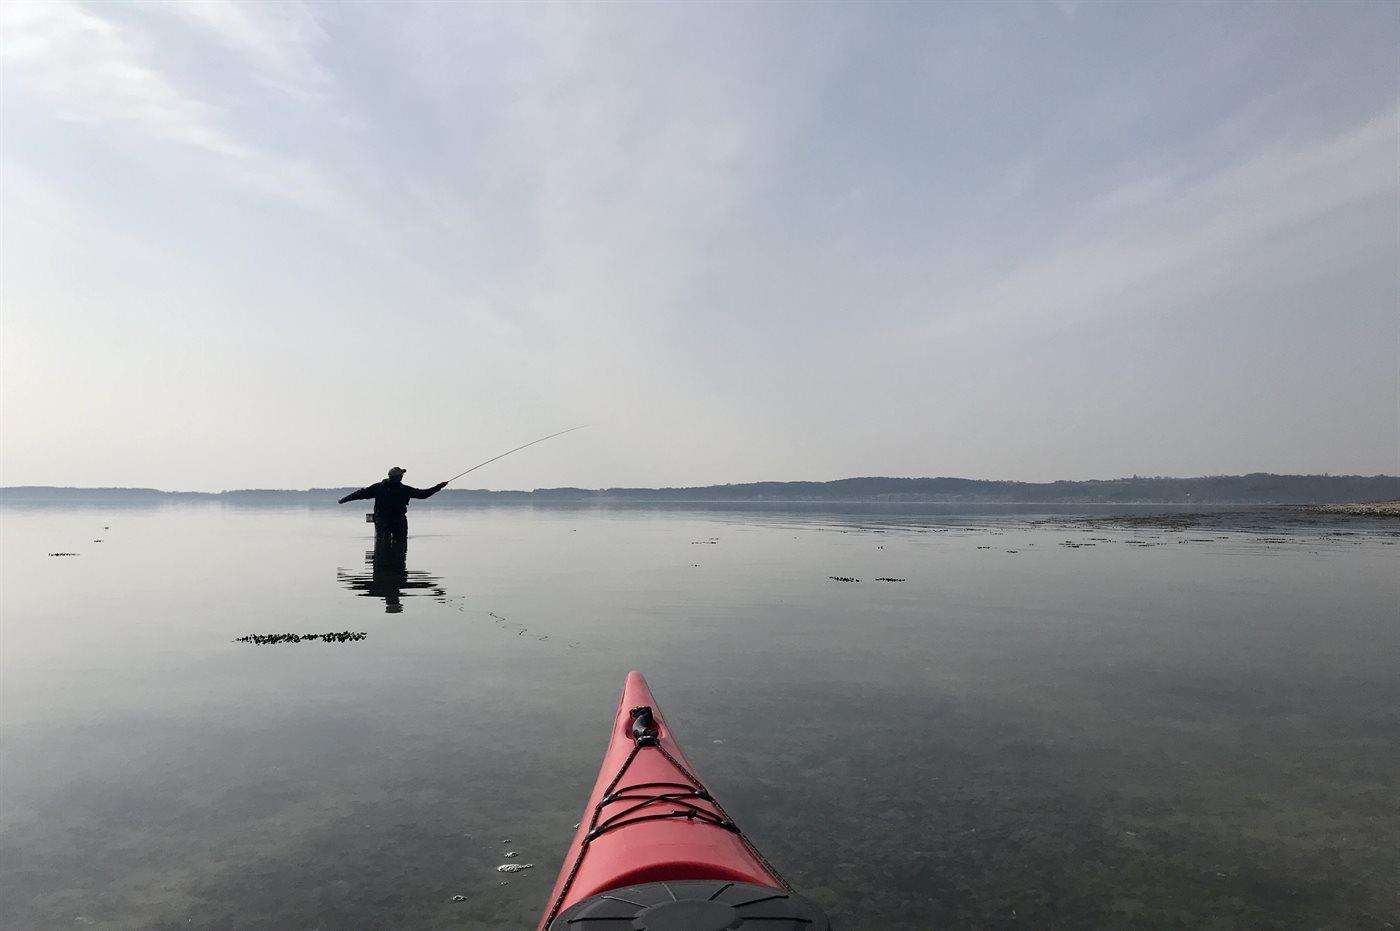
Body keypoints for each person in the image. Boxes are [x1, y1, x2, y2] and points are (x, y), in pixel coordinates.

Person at [338, 467, 446, 543]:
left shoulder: (377, 487)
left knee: (381, 542)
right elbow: (423, 494)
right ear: (399, 477)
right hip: (398, 520)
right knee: (400, 542)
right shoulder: (404, 489)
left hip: (382, 520)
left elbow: (359, 494)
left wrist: (344, 499)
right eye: (401, 475)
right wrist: (439, 486)